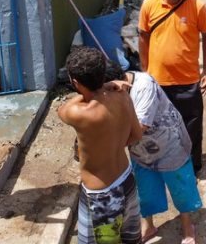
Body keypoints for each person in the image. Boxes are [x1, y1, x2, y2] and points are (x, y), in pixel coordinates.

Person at [104, 61, 201, 244]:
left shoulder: (144, 86)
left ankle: (188, 226)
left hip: (169, 143)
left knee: (180, 186)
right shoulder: (111, 91)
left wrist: (111, 147)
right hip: (140, 149)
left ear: (118, 83)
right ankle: (148, 225)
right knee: (145, 188)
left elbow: (140, 128)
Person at [58, 48, 144, 244]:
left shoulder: (78, 113)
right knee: (131, 239)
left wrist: (101, 86)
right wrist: (106, 86)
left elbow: (60, 109)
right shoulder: (122, 96)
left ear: (76, 82)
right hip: (127, 180)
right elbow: (136, 134)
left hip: (102, 196)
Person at [138, 0, 206, 175]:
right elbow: (143, 37)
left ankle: (192, 167)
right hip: (158, 82)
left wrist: (205, 72)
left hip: (188, 81)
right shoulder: (148, 5)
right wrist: (145, 71)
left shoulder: (197, 6)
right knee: (157, 127)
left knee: (191, 127)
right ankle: (160, 164)